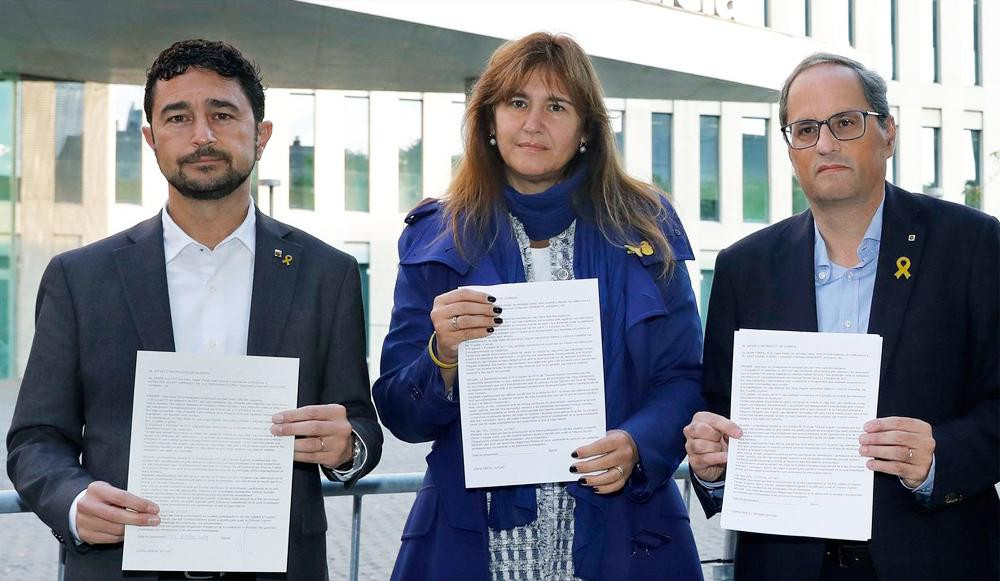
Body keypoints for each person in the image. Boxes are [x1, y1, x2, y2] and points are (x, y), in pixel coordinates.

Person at [6, 39, 382, 581]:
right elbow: (35, 439)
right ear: (151, 139)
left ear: (262, 135)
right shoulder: (79, 278)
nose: (202, 135)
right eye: (178, 117)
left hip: (281, 567)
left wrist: (348, 446)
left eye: (222, 114)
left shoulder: (329, 274)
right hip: (119, 568)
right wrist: (71, 499)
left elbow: (359, 421)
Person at [373, 32, 705, 581]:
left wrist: (637, 444)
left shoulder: (645, 224)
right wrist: (444, 356)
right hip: (471, 542)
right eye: (517, 102)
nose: (533, 122)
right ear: (489, 120)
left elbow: (685, 377)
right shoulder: (437, 235)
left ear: (585, 130)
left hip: (625, 538)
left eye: (557, 106)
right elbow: (400, 411)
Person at [684, 53, 999, 581]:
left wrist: (940, 457)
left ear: (888, 133)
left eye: (845, 123)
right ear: (790, 151)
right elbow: (717, 415)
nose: (824, 143)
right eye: (805, 129)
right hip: (785, 566)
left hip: (939, 559)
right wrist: (711, 466)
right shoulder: (745, 268)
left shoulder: (974, 245)